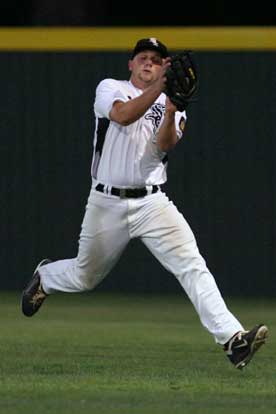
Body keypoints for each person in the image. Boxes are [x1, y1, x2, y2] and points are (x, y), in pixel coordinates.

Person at [21, 37, 268, 369]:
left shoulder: (174, 103)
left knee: (192, 265)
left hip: (152, 203)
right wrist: (161, 89)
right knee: (86, 276)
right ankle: (46, 278)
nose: (149, 62)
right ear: (131, 64)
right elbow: (121, 116)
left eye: (156, 58)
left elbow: (165, 144)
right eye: (142, 57)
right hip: (106, 201)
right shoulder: (110, 87)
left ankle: (233, 340)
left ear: (165, 66)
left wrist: (170, 110)